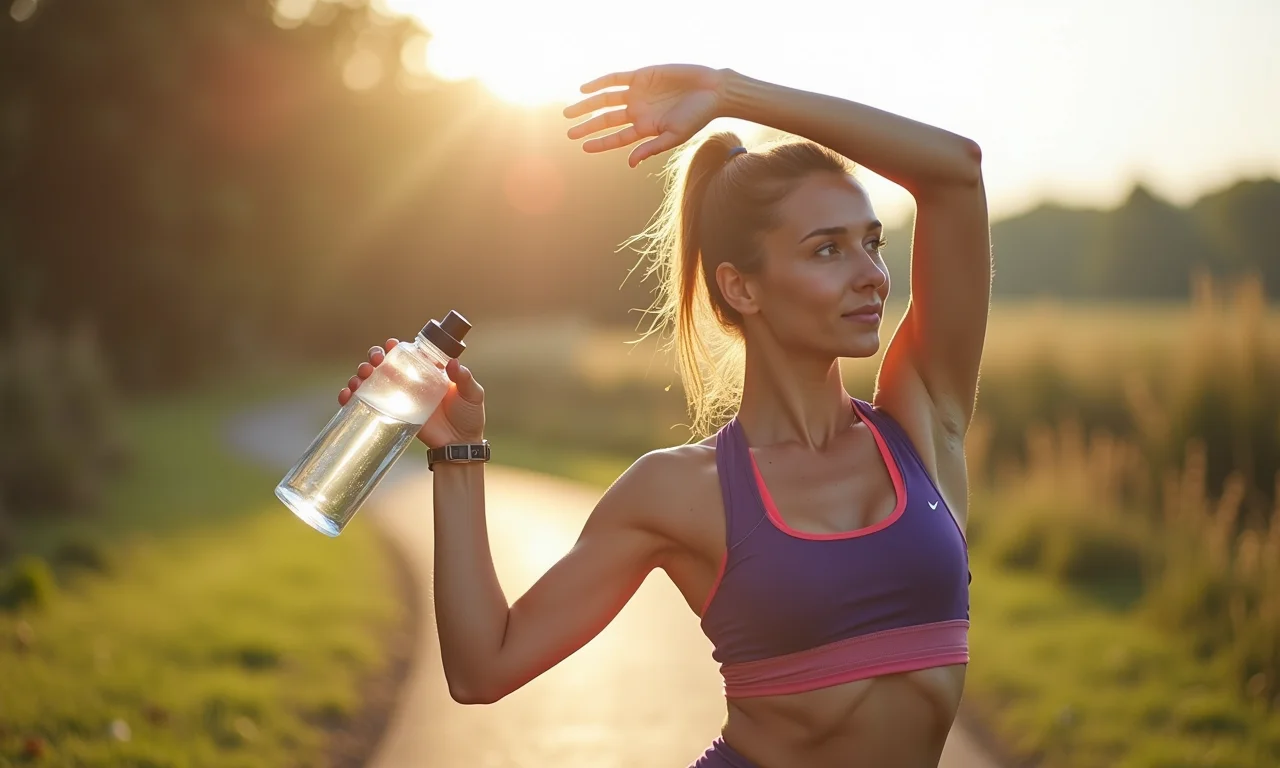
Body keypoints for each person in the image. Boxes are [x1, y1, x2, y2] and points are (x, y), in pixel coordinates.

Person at [340, 64, 990, 768]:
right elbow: (482, 667)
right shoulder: (680, 491)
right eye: (827, 249)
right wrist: (458, 454)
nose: (870, 273)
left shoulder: (923, 423)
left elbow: (957, 170)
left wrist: (732, 94)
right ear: (740, 287)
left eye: (872, 242)